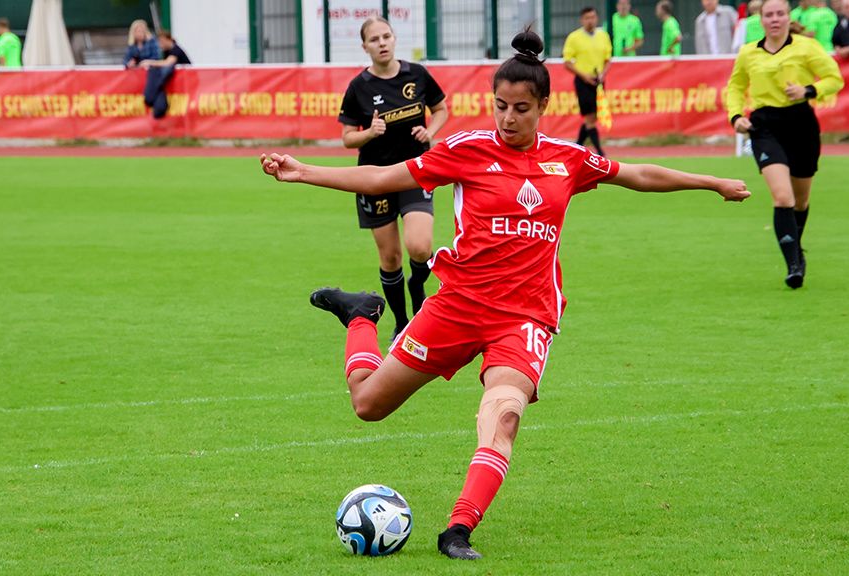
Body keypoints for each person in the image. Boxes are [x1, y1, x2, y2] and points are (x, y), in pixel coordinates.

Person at [260, 28, 750, 560]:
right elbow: (383, 178)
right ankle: (361, 315)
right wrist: (303, 172)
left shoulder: (567, 158)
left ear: (543, 106)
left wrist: (711, 182)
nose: (508, 118)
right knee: (367, 404)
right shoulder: (466, 150)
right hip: (458, 305)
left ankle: (458, 530)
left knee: (504, 414)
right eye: (500, 106)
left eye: (521, 108)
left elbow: (638, 174)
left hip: (526, 316)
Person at [338, 16, 448, 339]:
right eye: (375, 39)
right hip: (375, 178)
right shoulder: (359, 86)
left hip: (415, 171)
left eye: (386, 36)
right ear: (365, 47)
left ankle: (418, 286)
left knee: (420, 247)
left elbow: (441, 109)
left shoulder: (417, 74)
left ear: (394, 38)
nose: (382, 43)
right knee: (390, 256)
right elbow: (347, 138)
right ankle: (402, 324)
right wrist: (369, 133)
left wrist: (430, 131)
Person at [726, 0, 843, 288]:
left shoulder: (807, 47)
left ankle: (796, 248)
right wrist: (736, 116)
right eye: (769, 15)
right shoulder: (748, 52)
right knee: (782, 197)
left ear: (789, 17)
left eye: (780, 14)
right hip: (765, 126)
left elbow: (834, 78)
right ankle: (793, 266)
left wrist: (808, 90)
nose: (775, 19)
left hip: (801, 123)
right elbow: (735, 87)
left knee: (800, 201)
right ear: (761, 19)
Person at [562, 7, 612, 155]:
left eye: (593, 17)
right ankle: (600, 152)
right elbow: (567, 62)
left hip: (598, 81)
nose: (590, 21)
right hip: (583, 81)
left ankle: (577, 146)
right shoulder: (574, 37)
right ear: (582, 20)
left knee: (593, 117)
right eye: (587, 18)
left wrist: (603, 74)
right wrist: (584, 76)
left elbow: (608, 59)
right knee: (590, 117)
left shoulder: (603, 36)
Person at [138, 31, 191, 119]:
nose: (160, 44)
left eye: (161, 41)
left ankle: (151, 95)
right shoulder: (166, 52)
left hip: (187, 84)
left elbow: (167, 63)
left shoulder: (176, 50)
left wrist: (149, 62)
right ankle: (154, 99)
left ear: (168, 39)